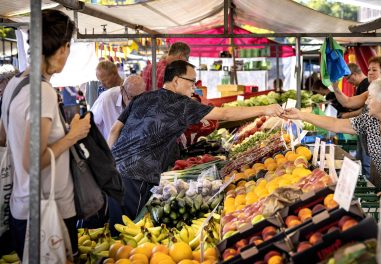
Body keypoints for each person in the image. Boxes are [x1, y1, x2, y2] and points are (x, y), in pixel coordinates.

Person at [108, 60, 284, 221]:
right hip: (137, 174)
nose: (194, 87)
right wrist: (265, 109)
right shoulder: (181, 104)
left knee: (110, 220)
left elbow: (115, 130)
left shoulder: (142, 98)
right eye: (192, 82)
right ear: (176, 80)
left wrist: (109, 161)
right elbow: (224, 114)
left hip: (112, 167)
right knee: (127, 224)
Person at [283, 79, 381, 228]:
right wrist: (301, 115)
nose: (366, 102)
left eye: (370, 98)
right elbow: (336, 124)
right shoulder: (369, 121)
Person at [0, 10, 91, 260]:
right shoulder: (44, 92)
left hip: (21, 207)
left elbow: (3, 138)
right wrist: (74, 134)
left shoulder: (14, 86)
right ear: (63, 48)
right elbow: (32, 161)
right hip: (49, 211)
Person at [332, 57, 381, 180]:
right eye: (369, 69)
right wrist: (336, 87)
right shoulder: (370, 92)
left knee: (373, 174)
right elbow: (348, 102)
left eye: (374, 70)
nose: (369, 72)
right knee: (368, 173)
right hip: (366, 138)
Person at [91, 75, 145, 139]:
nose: (135, 102)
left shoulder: (142, 100)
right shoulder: (106, 98)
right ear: (122, 89)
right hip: (108, 145)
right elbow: (91, 124)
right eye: (131, 97)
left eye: (139, 97)